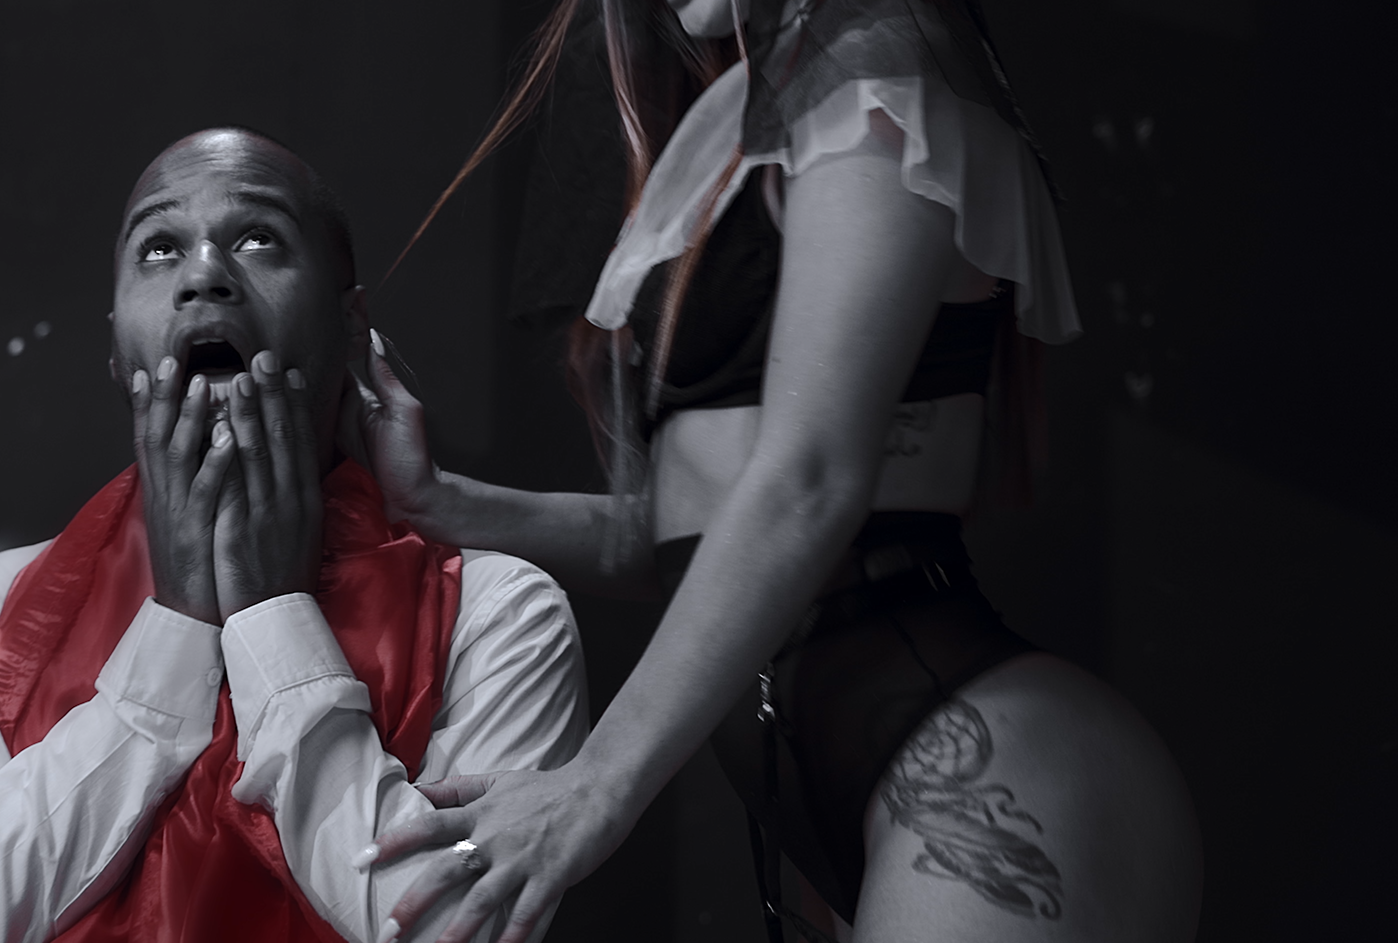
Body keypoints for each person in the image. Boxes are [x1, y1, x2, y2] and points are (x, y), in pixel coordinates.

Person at [351, 1, 1201, 941]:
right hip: (844, 797)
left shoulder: (885, 58)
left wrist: (594, 784)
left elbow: (810, 478)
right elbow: (690, 535)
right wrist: (439, 502)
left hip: (984, 759)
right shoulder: (743, 109)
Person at [0, 127, 588, 943]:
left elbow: (457, 925)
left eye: (257, 238)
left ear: (352, 326)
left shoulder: (500, 612)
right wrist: (176, 629)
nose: (204, 274)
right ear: (117, 349)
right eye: (159, 247)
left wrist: (273, 619)